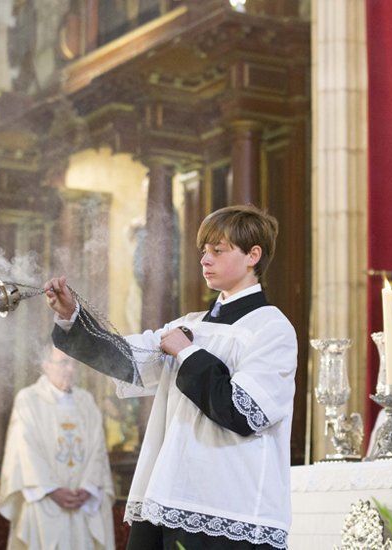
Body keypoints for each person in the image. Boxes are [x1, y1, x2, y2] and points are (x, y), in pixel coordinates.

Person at [45, 204, 297, 550]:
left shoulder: (271, 328)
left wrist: (187, 353)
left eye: (218, 250)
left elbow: (242, 412)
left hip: (230, 506)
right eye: (203, 252)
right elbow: (128, 361)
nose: (205, 260)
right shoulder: (190, 324)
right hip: (169, 495)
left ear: (253, 255)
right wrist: (75, 316)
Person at [0, 347, 116, 550]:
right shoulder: (28, 399)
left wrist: (88, 487)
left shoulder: (86, 401)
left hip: (82, 503)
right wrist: (51, 489)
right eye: (63, 363)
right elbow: (25, 450)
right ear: (46, 366)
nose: (70, 369)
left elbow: (98, 449)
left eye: (74, 364)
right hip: (44, 502)